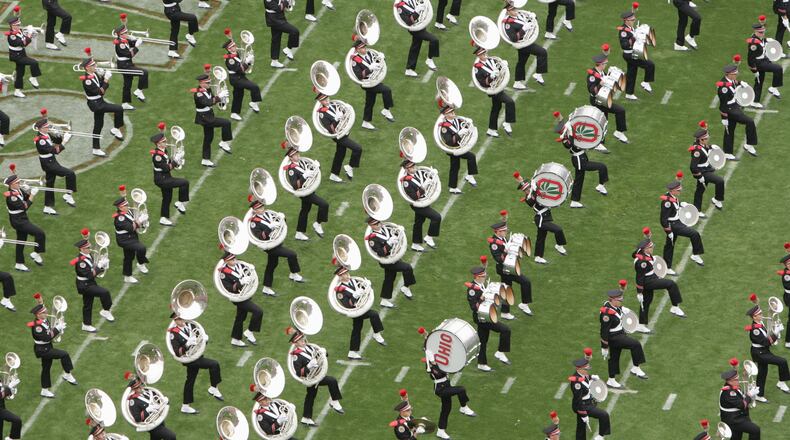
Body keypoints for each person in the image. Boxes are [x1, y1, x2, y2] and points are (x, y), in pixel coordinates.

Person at [168, 311, 223, 414]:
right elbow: (177, 352)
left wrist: (205, 339)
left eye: (182, 318)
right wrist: (187, 345)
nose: (182, 320)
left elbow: (199, 338)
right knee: (214, 364)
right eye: (179, 319)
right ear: (175, 321)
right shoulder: (173, 334)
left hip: (196, 355)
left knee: (190, 380)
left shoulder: (190, 325)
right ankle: (213, 388)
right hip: (189, 359)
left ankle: (185, 405)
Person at [246, 197, 303, 297]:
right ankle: (293, 274)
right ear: (254, 210)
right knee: (291, 254)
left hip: (277, 242)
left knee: (272, 265)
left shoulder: (268, 214)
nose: (261, 209)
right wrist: (270, 229)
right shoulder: (254, 223)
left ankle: (266, 288)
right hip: (270, 246)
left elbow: (281, 224)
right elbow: (261, 236)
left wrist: (282, 218)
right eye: (259, 208)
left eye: (262, 207)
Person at [287, 328, 344, 426]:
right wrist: (308, 366)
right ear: (295, 343)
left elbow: (321, 357)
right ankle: (334, 402)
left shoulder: (309, 347)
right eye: (300, 341)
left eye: (303, 339)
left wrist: (324, 352)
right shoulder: (296, 356)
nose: (303, 341)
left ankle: (306, 418)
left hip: (317, 374)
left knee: (311, 395)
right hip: (311, 378)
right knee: (332, 381)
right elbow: (298, 373)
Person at [553, 113, 608, 208]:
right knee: (601, 167)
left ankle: (574, 201)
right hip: (579, 161)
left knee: (579, 179)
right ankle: (601, 185)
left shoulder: (569, 133)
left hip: (581, 158)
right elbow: (571, 143)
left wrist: (560, 117)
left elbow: (566, 123)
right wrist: (569, 131)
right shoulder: (565, 140)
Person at [29, 293, 77, 398]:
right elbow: (46, 337)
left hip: (47, 347)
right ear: (38, 315)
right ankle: (67, 374)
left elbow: (42, 305)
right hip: (42, 350)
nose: (46, 313)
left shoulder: (42, 319)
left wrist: (39, 300)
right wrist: (57, 328)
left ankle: (44, 390)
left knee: (46, 368)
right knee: (64, 354)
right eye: (43, 312)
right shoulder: (37, 326)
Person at [633, 229, 685, 326]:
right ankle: (675, 307)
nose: (653, 248)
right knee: (671, 284)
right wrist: (639, 292)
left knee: (647, 301)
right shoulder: (642, 262)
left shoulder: (644, 254)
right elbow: (639, 277)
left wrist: (648, 238)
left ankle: (641, 325)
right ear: (646, 249)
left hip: (651, 278)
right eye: (651, 247)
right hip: (648, 281)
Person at [79, 48, 125, 157]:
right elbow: (101, 91)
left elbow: (100, 85)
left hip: (98, 101)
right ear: (87, 68)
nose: (96, 66)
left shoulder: (93, 74)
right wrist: (106, 79)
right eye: (93, 65)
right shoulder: (87, 80)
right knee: (119, 108)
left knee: (98, 125)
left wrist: (103, 76)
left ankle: (96, 148)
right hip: (96, 104)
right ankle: (115, 129)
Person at [333, 265, 386, 359]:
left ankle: (352, 352)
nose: (347, 274)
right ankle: (376, 334)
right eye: (344, 274)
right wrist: (355, 296)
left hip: (362, 308)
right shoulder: (340, 291)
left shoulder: (354, 280)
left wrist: (367, 285)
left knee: (357, 329)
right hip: (355, 311)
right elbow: (347, 305)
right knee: (374, 314)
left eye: (346, 272)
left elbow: (364, 289)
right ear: (340, 277)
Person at [466, 265, 511, 371]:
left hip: (487, 315)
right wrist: (481, 298)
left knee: (483, 340)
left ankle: (481, 363)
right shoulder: (472, 290)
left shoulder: (483, 284)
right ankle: (500, 352)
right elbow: (474, 307)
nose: (485, 277)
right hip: (482, 317)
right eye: (483, 276)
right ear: (477, 277)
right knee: (505, 330)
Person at [599, 289, 647, 388]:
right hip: (614, 337)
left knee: (614, 357)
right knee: (635, 344)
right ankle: (636, 368)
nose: (621, 301)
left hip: (620, 334)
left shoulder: (614, 306)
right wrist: (604, 347)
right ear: (612, 300)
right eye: (619, 300)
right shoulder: (606, 314)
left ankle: (611, 380)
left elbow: (619, 309)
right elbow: (604, 331)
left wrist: (625, 310)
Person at [744, 298, 790, 402]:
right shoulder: (755, 330)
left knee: (762, 372)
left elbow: (767, 338)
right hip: (759, 353)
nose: (761, 315)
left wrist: (775, 330)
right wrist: (776, 333)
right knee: (782, 361)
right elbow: (766, 342)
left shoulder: (760, 324)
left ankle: (759, 395)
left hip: (763, 351)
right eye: (759, 314)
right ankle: (781, 382)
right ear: (754, 317)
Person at [424, 348, 476, 439]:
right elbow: (441, 373)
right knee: (461, 389)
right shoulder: (432, 368)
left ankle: (440, 431)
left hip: (446, 385)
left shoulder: (438, 364)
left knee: (446, 409)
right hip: (440, 389)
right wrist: (435, 363)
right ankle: (463, 407)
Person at [366, 216, 415, 308]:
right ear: (371, 226)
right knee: (407, 268)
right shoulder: (372, 239)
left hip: (394, 257)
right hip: (386, 261)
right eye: (376, 224)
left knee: (389, 278)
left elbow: (394, 235)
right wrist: (389, 244)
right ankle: (405, 287)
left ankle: (384, 300)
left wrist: (399, 231)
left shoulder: (385, 229)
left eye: (378, 222)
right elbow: (380, 253)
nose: (379, 224)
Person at [516, 176, 567, 264]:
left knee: (541, 238)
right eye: (525, 190)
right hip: (541, 220)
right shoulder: (528, 198)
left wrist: (534, 186)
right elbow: (533, 199)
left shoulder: (535, 191)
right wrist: (534, 190)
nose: (527, 190)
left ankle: (538, 257)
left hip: (545, 217)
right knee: (558, 230)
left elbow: (541, 191)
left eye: (528, 188)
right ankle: (559, 245)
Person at [33, 113, 77, 214]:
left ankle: (47, 207)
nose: (48, 127)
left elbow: (57, 141)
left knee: (50, 183)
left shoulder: (45, 134)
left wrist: (59, 134)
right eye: (46, 127)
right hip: (48, 163)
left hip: (50, 161)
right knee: (70, 173)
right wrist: (65, 141)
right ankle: (68, 195)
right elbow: (55, 151)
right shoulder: (40, 141)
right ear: (40, 129)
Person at [488, 219, 532, 317]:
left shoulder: (503, 239)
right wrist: (505, 251)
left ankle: (505, 312)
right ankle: (524, 304)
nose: (506, 232)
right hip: (504, 269)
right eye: (504, 231)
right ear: (498, 232)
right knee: (525, 282)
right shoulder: (494, 243)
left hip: (509, 267)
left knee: (507, 289)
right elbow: (498, 258)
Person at [217, 251, 262, 347]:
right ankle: (249, 332)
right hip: (238, 298)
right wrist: (240, 282)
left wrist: (251, 270)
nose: (235, 260)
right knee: (258, 311)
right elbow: (228, 288)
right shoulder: (224, 273)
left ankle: (235, 339)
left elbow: (247, 272)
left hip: (246, 295)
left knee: (240, 317)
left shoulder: (239, 265)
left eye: (235, 258)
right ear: (226, 261)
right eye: (232, 259)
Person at [283, 146, 328, 240]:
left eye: (297, 153)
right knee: (324, 204)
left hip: (310, 189)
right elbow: (295, 186)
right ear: (290, 158)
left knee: (305, 210)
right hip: (305, 193)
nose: (298, 155)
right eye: (295, 155)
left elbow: (312, 172)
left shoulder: (302, 162)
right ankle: (317, 224)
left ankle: (299, 233)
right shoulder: (291, 169)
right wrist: (304, 176)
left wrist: (317, 167)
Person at [349, 38, 395, 131]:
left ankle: (366, 122)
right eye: (361, 48)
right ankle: (386, 110)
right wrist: (369, 68)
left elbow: (377, 64)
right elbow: (359, 76)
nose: (364, 49)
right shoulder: (355, 61)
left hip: (374, 80)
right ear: (357, 49)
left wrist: (381, 58)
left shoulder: (370, 53)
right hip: (366, 83)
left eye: (364, 47)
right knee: (386, 90)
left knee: (370, 102)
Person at [72, 231, 114, 333]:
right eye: (87, 248)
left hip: (89, 283)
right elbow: (90, 275)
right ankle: (105, 310)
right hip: (84, 285)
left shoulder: (87, 254)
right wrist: (100, 266)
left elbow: (92, 267)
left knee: (88, 304)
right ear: (82, 249)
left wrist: (103, 265)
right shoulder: (81, 262)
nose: (89, 249)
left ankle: (86, 325)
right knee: (104, 292)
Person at [315, 93, 363, 182]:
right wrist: (336, 120)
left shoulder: (334, 105)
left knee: (340, 154)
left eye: (327, 98)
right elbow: (330, 129)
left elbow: (345, 113)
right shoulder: (322, 114)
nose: (327, 101)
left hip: (344, 132)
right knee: (358, 148)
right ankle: (349, 167)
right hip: (338, 136)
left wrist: (346, 110)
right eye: (324, 100)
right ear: (320, 102)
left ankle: (334, 174)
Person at [660, 176, 705, 270]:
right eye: (678, 190)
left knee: (669, 245)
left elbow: (675, 204)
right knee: (694, 234)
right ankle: (696, 255)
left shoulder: (672, 197)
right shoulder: (667, 202)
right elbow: (663, 219)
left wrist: (681, 204)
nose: (680, 192)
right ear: (672, 191)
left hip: (677, 222)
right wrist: (669, 232)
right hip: (673, 225)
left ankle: (667, 267)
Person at [4, 170, 45, 271]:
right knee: (40, 233)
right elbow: (24, 206)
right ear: (11, 185)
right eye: (17, 183)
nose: (19, 183)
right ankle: (35, 253)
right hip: (18, 221)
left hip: (21, 218)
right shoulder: (11, 197)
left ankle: (19, 263)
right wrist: (33, 195)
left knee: (21, 241)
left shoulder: (18, 190)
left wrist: (29, 191)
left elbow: (26, 197)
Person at [717, 61, 758, 159]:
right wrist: (723, 116)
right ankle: (748, 145)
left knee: (729, 130)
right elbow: (723, 103)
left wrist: (740, 83)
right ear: (729, 74)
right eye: (734, 74)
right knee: (750, 121)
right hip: (730, 109)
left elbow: (734, 83)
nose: (736, 75)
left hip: (734, 107)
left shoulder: (731, 81)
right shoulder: (724, 87)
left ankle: (727, 152)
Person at [502, 4, 548, 90]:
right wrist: (524, 29)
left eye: (515, 9)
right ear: (508, 12)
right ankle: (538, 74)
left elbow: (530, 22)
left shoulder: (520, 15)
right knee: (542, 52)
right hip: (523, 44)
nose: (515, 11)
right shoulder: (508, 24)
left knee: (521, 62)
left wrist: (534, 17)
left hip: (526, 42)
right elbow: (514, 38)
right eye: (512, 10)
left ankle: (517, 82)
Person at [400, 159, 441, 252]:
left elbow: (426, 178)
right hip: (417, 204)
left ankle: (415, 244)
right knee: (436, 217)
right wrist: (424, 187)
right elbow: (414, 197)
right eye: (411, 167)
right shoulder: (406, 182)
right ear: (406, 169)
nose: (414, 168)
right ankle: (429, 237)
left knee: (419, 222)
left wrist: (432, 174)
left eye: (414, 166)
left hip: (423, 202)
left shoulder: (417, 173)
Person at [587, 52, 629, 144]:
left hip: (604, 99)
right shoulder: (592, 76)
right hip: (597, 101)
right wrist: (599, 85)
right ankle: (616, 134)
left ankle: (600, 142)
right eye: (605, 64)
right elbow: (591, 90)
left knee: (603, 120)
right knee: (619, 111)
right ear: (601, 64)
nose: (606, 65)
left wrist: (611, 76)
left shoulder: (602, 73)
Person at [473, 46, 515, 137]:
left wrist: (504, 65)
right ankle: (507, 123)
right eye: (482, 54)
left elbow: (500, 69)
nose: (485, 55)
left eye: (485, 53)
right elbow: (482, 82)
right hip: (493, 90)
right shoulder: (478, 68)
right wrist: (490, 77)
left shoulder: (492, 60)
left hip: (499, 87)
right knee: (510, 102)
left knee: (496, 108)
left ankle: (491, 130)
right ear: (478, 55)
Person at [150, 129, 189, 226]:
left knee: (167, 198)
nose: (166, 142)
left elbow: (169, 162)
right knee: (184, 182)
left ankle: (163, 218)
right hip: (162, 179)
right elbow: (167, 168)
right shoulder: (157, 156)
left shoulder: (164, 151)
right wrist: (176, 160)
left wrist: (178, 160)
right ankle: (180, 203)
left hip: (165, 177)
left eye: (165, 140)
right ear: (158, 144)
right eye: (163, 141)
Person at [193, 71, 232, 167]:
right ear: (201, 83)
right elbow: (208, 102)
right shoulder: (198, 94)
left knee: (208, 138)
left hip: (209, 115)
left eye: (209, 82)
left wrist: (222, 98)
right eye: (207, 83)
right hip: (204, 118)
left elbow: (213, 99)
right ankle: (223, 142)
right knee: (226, 123)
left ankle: (205, 159)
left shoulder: (208, 89)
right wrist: (219, 97)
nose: (209, 84)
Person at [437, 105, 477, 194]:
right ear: (446, 115)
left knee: (455, 167)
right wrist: (459, 134)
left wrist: (469, 124)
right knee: (471, 156)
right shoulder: (444, 127)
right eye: (451, 112)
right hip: (453, 149)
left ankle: (452, 187)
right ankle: (470, 176)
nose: (453, 113)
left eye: (453, 111)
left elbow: (465, 127)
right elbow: (449, 141)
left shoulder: (457, 120)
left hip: (459, 147)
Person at [569, 354, 610, 440]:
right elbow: (578, 399)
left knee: (581, 426)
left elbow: (586, 378)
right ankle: (600, 436)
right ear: (579, 369)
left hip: (587, 403)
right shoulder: (576, 383)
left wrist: (592, 377)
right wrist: (583, 413)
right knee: (604, 415)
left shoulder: (583, 375)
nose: (587, 371)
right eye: (586, 369)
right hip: (583, 406)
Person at [125, 373, 177, 440]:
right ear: (134, 389)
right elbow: (137, 418)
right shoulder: (134, 401)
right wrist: (147, 410)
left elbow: (158, 399)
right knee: (171, 436)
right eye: (138, 388)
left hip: (159, 419)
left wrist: (164, 401)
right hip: (151, 425)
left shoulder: (148, 392)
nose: (141, 388)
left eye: (140, 385)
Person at [618, 7, 655, 100]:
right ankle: (645, 82)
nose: (634, 21)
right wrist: (634, 37)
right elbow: (624, 45)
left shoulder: (630, 28)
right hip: (630, 55)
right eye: (632, 20)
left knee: (632, 72)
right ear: (626, 20)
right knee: (650, 65)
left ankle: (629, 93)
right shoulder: (623, 31)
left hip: (633, 53)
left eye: (634, 19)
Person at [112, 191, 149, 284]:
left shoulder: (128, 211)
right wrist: (140, 220)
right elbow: (130, 228)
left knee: (129, 257)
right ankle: (140, 264)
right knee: (141, 248)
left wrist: (143, 222)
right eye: (125, 205)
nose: (127, 206)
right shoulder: (120, 218)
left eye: (127, 204)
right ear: (120, 207)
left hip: (131, 237)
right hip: (125, 239)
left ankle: (127, 276)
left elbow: (135, 220)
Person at [222, 34, 261, 121]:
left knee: (238, 95)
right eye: (233, 46)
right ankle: (254, 102)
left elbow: (242, 67)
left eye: (234, 45)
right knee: (254, 87)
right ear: (229, 49)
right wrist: (247, 61)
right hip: (236, 79)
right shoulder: (230, 59)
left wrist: (249, 62)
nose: (235, 47)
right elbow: (239, 69)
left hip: (240, 77)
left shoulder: (236, 54)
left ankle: (234, 113)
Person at [396, 0, 439, 76]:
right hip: (414, 29)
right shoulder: (400, 7)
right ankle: (429, 59)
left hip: (421, 25)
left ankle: (409, 69)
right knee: (434, 40)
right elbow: (408, 22)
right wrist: (417, 12)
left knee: (415, 46)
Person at [689, 121, 725, 213]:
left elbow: (705, 148)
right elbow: (693, 166)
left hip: (707, 168)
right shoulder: (697, 151)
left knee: (700, 190)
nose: (707, 140)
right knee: (720, 181)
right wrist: (699, 176)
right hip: (703, 172)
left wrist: (711, 147)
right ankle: (717, 199)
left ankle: (697, 210)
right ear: (701, 140)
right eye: (706, 139)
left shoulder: (701, 144)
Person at [113, 23, 149, 111]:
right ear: (120, 34)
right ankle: (138, 91)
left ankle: (125, 103)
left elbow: (131, 44)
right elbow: (130, 55)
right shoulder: (119, 44)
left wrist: (136, 40)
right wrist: (137, 46)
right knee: (144, 72)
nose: (127, 34)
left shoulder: (124, 40)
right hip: (124, 66)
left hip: (127, 64)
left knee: (127, 84)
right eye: (125, 33)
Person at [747, 19, 783, 106]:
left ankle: (755, 101)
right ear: (755, 32)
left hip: (763, 60)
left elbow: (762, 41)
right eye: (760, 32)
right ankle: (773, 88)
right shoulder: (753, 43)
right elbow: (750, 57)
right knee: (778, 68)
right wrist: (754, 70)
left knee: (759, 81)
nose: (762, 34)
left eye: (763, 32)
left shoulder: (759, 38)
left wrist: (767, 40)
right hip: (759, 63)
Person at [5, 12, 41, 98]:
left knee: (20, 73)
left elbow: (24, 37)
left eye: (18, 24)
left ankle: (17, 91)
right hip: (16, 56)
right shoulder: (11, 36)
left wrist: (32, 33)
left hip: (21, 54)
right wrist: (29, 34)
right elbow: (23, 43)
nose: (18, 26)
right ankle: (33, 78)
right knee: (34, 63)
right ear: (12, 26)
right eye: (16, 25)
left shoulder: (19, 31)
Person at [719, 366, 760, 440]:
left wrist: (749, 391)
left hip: (737, 417)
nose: (739, 381)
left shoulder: (733, 387)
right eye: (736, 380)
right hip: (734, 420)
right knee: (755, 430)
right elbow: (742, 405)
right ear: (730, 381)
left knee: (736, 437)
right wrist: (749, 394)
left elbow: (741, 397)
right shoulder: (729, 392)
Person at [264, 0, 299, 68]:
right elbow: (277, 8)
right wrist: (286, 2)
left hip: (279, 17)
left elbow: (283, 6)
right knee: (294, 31)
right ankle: (288, 49)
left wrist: (288, 3)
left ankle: (274, 61)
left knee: (276, 39)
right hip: (274, 19)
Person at [0, 368, 21, 440]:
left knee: (17, 420)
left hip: (1, 408)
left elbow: (3, 392)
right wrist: (9, 387)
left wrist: (10, 386)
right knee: (16, 420)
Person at [778, 252, 790, 348]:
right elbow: (788, 286)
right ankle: (788, 341)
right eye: (789, 264)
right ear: (786, 265)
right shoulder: (786, 275)